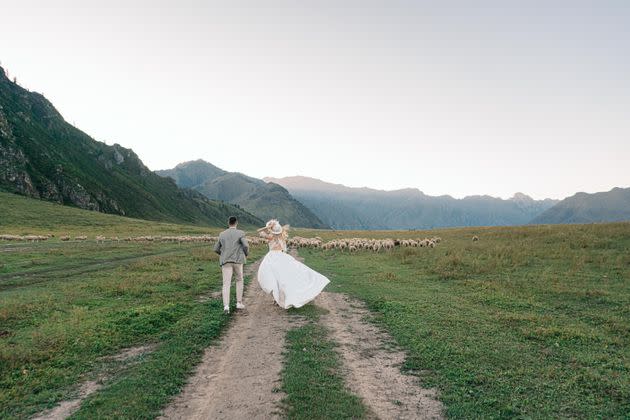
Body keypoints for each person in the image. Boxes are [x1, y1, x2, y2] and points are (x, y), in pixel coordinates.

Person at [257, 219, 330, 309]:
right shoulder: (281, 238)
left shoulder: (270, 237)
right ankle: (280, 298)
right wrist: (272, 227)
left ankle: (276, 298)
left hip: (272, 257)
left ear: (271, 230)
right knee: (283, 278)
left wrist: (267, 227)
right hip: (281, 256)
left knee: (274, 278)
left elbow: (259, 232)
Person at [214, 216, 249, 314]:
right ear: (236, 223)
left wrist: (223, 254)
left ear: (228, 223)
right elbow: (246, 245)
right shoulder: (241, 233)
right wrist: (245, 254)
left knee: (226, 284)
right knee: (239, 280)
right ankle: (239, 303)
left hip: (226, 262)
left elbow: (216, 248)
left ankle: (226, 306)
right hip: (238, 260)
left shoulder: (222, 234)